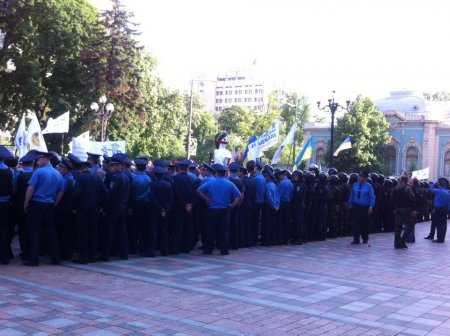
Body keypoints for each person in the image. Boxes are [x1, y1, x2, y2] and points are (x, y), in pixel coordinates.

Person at [23, 151, 64, 266]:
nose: (37, 162)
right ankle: (55, 259)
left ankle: (34, 259)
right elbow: (60, 192)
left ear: (45, 159)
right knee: (51, 231)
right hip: (50, 205)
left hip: (37, 204)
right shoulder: (58, 174)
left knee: (34, 231)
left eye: (38, 160)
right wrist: (54, 203)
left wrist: (26, 203)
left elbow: (31, 188)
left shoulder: (38, 172)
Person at [197, 164, 240, 255]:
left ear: (216, 173)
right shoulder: (230, 183)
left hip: (212, 209)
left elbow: (199, 190)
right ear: (225, 173)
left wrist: (206, 198)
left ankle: (208, 250)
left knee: (210, 230)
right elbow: (238, 196)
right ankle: (224, 250)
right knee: (224, 231)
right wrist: (232, 205)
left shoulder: (211, 182)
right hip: (225, 210)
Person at [72, 160, 108, 264]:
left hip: (82, 209)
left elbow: (75, 193)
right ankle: (92, 256)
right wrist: (101, 206)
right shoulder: (97, 178)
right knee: (93, 232)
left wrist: (74, 206)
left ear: (81, 169)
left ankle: (82, 256)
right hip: (95, 210)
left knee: (82, 232)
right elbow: (105, 193)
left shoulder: (79, 178)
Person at [100, 154, 130, 261]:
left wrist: (105, 208)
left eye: (112, 167)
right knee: (122, 232)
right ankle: (124, 254)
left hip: (113, 209)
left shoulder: (115, 178)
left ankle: (105, 255)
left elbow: (111, 196)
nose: (110, 169)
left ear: (118, 166)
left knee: (109, 232)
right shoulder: (126, 177)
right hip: (122, 208)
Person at [171, 159, 196, 254]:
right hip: (189, 207)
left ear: (179, 168)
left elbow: (176, 193)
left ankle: (176, 248)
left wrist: (184, 204)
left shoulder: (176, 178)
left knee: (178, 227)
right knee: (188, 226)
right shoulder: (192, 179)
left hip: (179, 206)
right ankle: (187, 247)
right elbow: (195, 193)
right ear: (187, 169)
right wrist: (190, 204)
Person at [149, 166, 173, 256]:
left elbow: (152, 198)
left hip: (154, 210)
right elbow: (170, 199)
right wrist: (164, 209)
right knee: (164, 230)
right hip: (165, 211)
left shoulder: (152, 184)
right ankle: (164, 251)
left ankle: (152, 251)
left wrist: (159, 208)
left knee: (153, 230)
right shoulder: (168, 184)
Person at [130, 157, 152, 256]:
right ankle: (142, 248)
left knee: (134, 226)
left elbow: (132, 192)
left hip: (136, 203)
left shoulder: (134, 178)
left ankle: (133, 248)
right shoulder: (148, 179)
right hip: (146, 204)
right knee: (144, 227)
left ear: (137, 167)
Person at [348, 169, 375, 245]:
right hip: (356, 206)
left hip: (365, 207)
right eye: (358, 177)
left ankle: (365, 238)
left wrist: (371, 207)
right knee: (355, 223)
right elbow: (352, 195)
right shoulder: (354, 185)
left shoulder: (369, 186)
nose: (359, 178)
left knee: (364, 223)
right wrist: (350, 203)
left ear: (365, 178)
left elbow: (372, 197)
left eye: (361, 177)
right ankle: (356, 239)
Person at [391, 176, 416, 249]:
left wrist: (394, 208)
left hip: (397, 209)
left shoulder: (395, 188)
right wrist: (413, 209)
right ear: (407, 181)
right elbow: (412, 198)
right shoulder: (407, 188)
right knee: (411, 225)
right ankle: (402, 241)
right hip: (406, 209)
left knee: (398, 227)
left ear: (400, 180)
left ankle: (396, 243)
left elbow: (391, 199)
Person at [0, 146, 13, 265]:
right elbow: (12, 188)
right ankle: (5, 256)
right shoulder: (9, 171)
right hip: (5, 203)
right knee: (3, 229)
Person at [428, 178, 450, 243]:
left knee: (439, 224)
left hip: (438, 209)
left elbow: (430, 189)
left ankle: (439, 239)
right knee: (444, 224)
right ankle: (442, 238)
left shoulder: (438, 191)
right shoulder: (447, 192)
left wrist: (435, 183)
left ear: (439, 184)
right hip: (444, 209)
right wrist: (447, 210)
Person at [261, 169, 279, 246]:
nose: (264, 178)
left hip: (268, 207)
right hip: (275, 207)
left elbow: (269, 198)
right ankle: (272, 240)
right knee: (272, 223)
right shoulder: (274, 185)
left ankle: (267, 241)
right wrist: (277, 206)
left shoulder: (267, 186)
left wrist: (273, 205)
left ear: (268, 177)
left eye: (265, 176)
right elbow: (278, 197)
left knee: (267, 224)